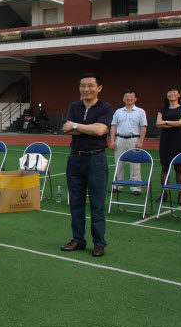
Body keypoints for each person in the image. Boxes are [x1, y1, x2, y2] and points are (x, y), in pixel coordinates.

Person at [60, 73, 114, 258]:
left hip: (96, 159)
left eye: (90, 85)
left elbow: (100, 130)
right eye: (83, 86)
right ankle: (78, 239)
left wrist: (76, 126)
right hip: (75, 159)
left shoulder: (106, 107)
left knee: (97, 203)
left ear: (99, 88)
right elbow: (66, 130)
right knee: (76, 202)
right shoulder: (74, 106)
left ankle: (99, 243)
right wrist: (88, 128)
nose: (86, 89)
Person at [109, 90, 148, 195]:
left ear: (135, 99)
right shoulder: (118, 112)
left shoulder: (140, 112)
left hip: (133, 139)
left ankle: (136, 187)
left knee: (135, 164)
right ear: (123, 99)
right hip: (120, 139)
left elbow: (143, 127)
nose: (129, 99)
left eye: (131, 97)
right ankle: (118, 185)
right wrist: (112, 140)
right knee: (118, 163)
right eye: (126, 97)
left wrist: (141, 141)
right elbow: (113, 126)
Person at [156, 86, 181, 205]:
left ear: (179, 94)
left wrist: (166, 122)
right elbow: (158, 124)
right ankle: (164, 193)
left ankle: (180, 196)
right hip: (165, 140)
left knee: (179, 168)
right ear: (167, 95)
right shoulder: (162, 110)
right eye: (169, 92)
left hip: (178, 140)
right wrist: (176, 123)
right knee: (165, 167)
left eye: (174, 92)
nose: (172, 94)